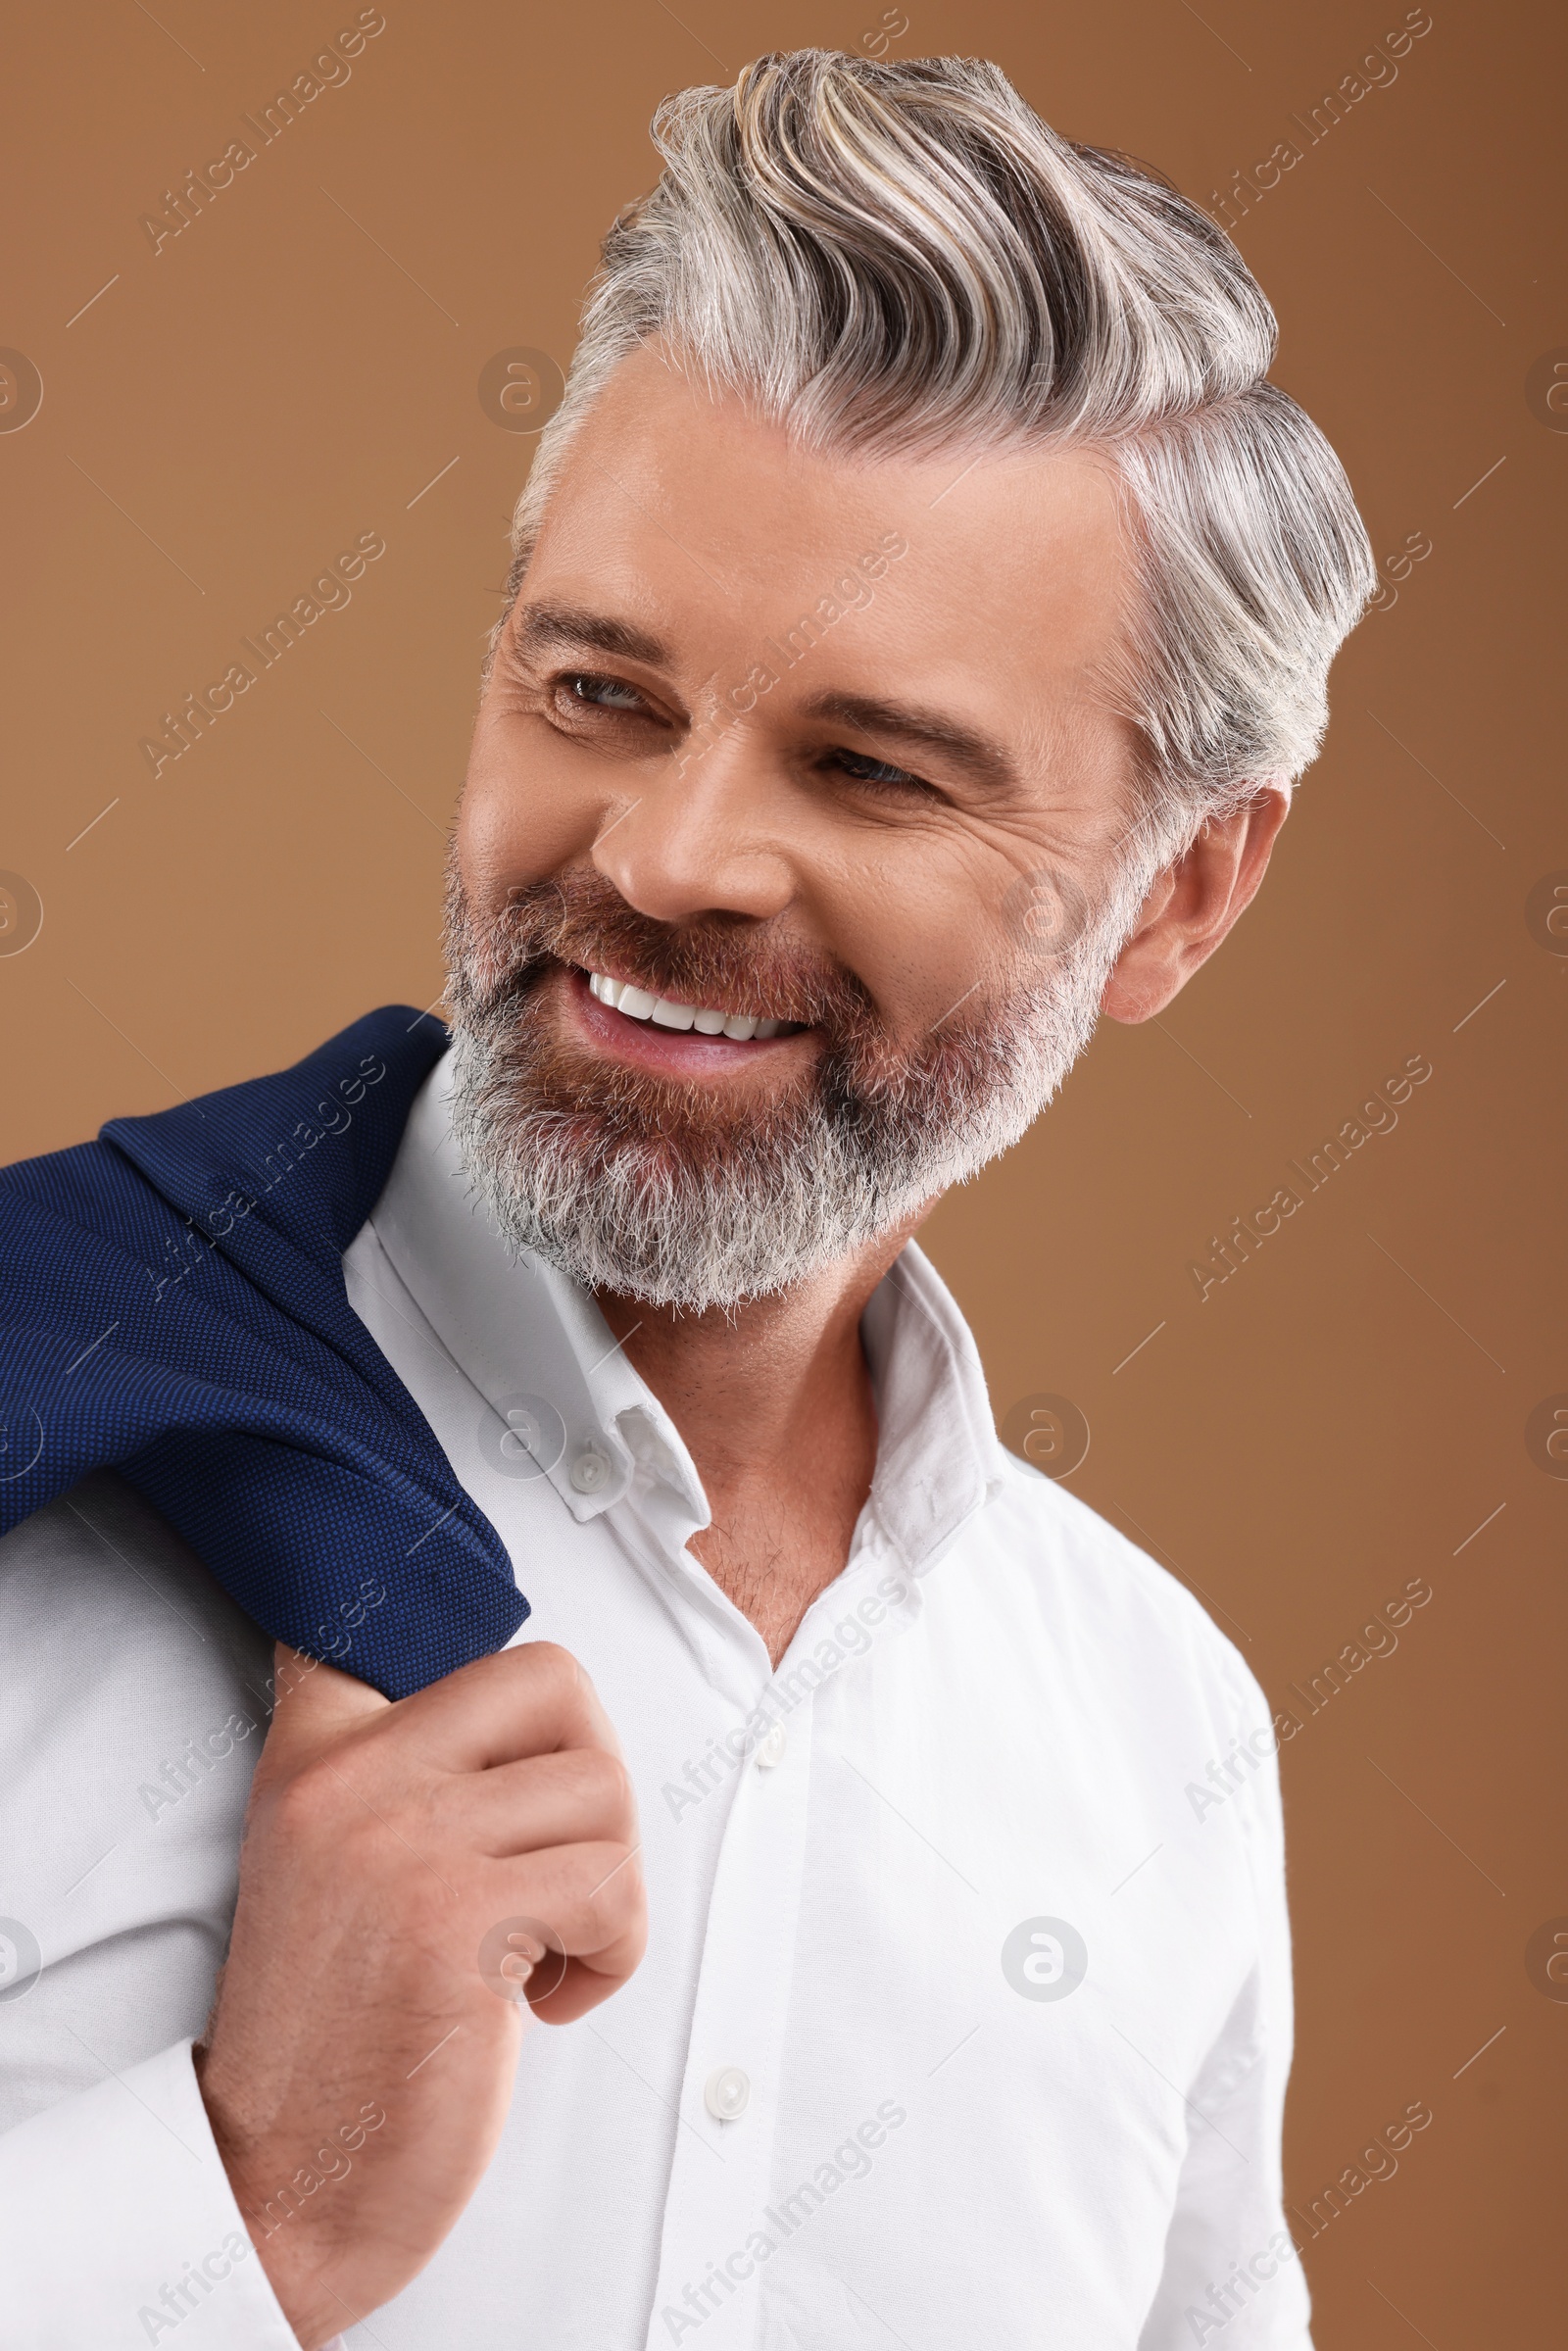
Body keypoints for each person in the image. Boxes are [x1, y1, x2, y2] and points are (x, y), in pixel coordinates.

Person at [0, 47, 1371, 2351]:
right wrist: (251, 2204)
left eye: (868, 767)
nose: (661, 857)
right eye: (598, 692)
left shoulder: (1153, 1739)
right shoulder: (48, 1487)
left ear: (1179, 896)